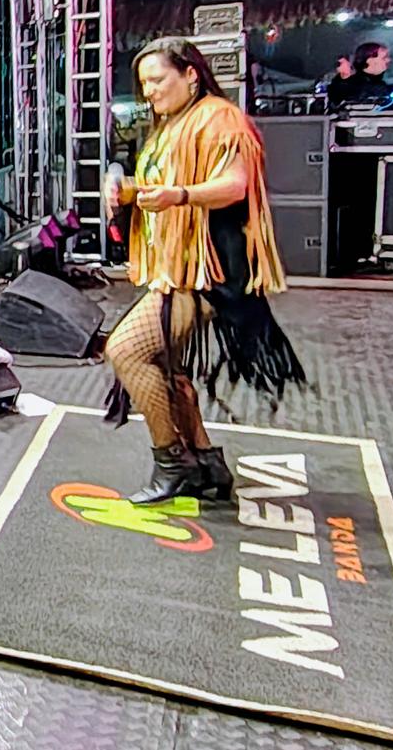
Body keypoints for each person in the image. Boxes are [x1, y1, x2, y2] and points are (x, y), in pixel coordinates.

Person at [104, 37, 307, 503]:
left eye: (158, 80)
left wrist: (178, 196)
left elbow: (234, 185)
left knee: (127, 351)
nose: (149, 92)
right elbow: (163, 184)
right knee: (165, 366)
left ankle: (172, 462)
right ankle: (205, 462)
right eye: (144, 84)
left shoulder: (219, 117)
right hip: (176, 269)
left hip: (206, 272)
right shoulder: (170, 126)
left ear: (191, 75)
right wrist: (128, 188)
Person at [325, 41, 392, 108]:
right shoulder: (353, 87)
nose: (388, 60)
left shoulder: (378, 84)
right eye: (384, 57)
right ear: (369, 60)